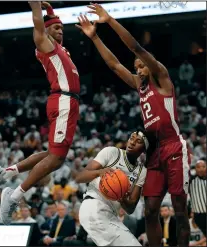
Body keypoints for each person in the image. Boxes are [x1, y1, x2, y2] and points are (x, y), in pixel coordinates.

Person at [76, 4, 191, 246]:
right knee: (150, 210)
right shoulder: (140, 86)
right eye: (136, 67)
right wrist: (95, 37)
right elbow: (115, 65)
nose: (137, 69)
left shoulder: (161, 77)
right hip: (153, 152)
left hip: (172, 147)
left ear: (151, 64)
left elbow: (135, 47)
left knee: (180, 209)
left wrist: (109, 21)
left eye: (141, 65)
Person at [0, 1, 80, 225]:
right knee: (56, 158)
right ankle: (14, 195)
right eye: (56, 29)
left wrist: (50, 12)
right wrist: (37, 6)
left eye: (62, 29)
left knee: (52, 155)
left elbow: (50, 24)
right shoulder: (44, 44)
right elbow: (40, 25)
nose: (60, 31)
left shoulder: (59, 48)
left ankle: (5, 173)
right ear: (45, 31)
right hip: (63, 99)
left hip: (68, 101)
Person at [74, 130, 148, 246]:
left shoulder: (141, 171)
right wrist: (100, 172)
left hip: (111, 215)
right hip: (93, 205)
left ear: (144, 149)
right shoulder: (111, 152)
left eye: (138, 141)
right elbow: (80, 177)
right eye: (131, 138)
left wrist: (122, 197)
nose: (132, 142)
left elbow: (130, 208)